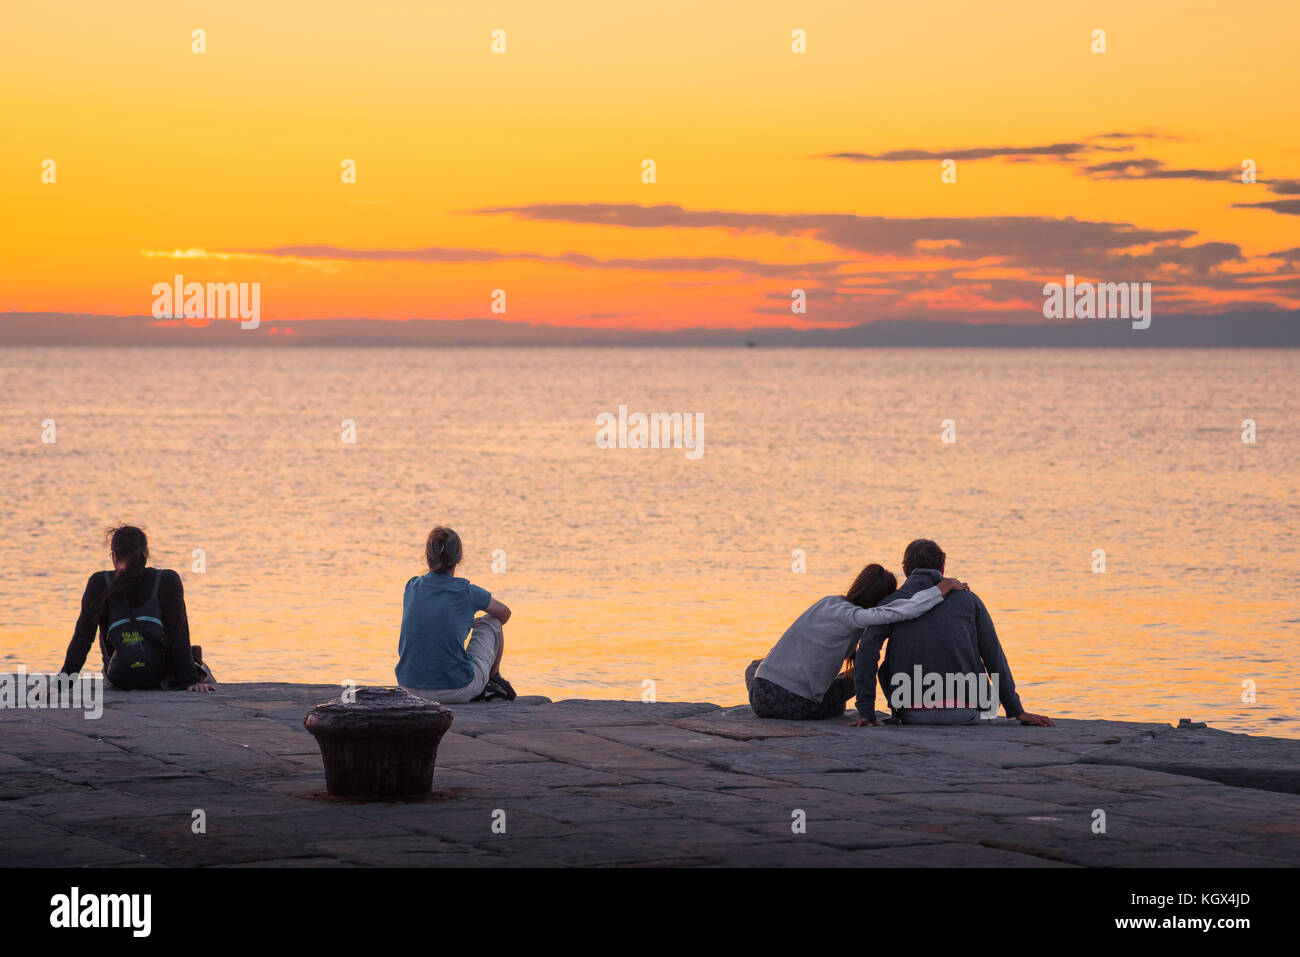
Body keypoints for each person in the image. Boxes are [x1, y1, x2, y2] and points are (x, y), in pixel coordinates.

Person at [851, 539, 1054, 727]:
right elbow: (993, 656)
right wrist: (1016, 710)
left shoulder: (891, 604)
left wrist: (866, 712)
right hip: (967, 712)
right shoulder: (969, 600)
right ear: (942, 568)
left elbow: (866, 652)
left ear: (906, 570)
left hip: (912, 713)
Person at [744, 562, 968, 720]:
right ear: (880, 598)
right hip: (796, 706)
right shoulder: (856, 617)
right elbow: (905, 610)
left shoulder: (827, 602)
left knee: (755, 665)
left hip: (761, 694)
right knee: (851, 680)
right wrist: (943, 587)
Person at [62, 525, 215, 692]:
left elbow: (83, 638)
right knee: (201, 667)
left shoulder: (99, 582)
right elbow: (178, 635)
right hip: (160, 675)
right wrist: (190, 680)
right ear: (145, 555)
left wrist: (61, 684)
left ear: (114, 556)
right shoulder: (167, 580)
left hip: (119, 677)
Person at [396, 526, 516, 703]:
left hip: (408, 688)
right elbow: (504, 613)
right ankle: (493, 677)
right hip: (454, 690)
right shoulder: (468, 592)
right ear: (458, 558)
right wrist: (473, 621)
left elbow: (431, 619)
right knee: (493, 621)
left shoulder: (412, 587)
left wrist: (463, 620)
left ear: (427, 557)